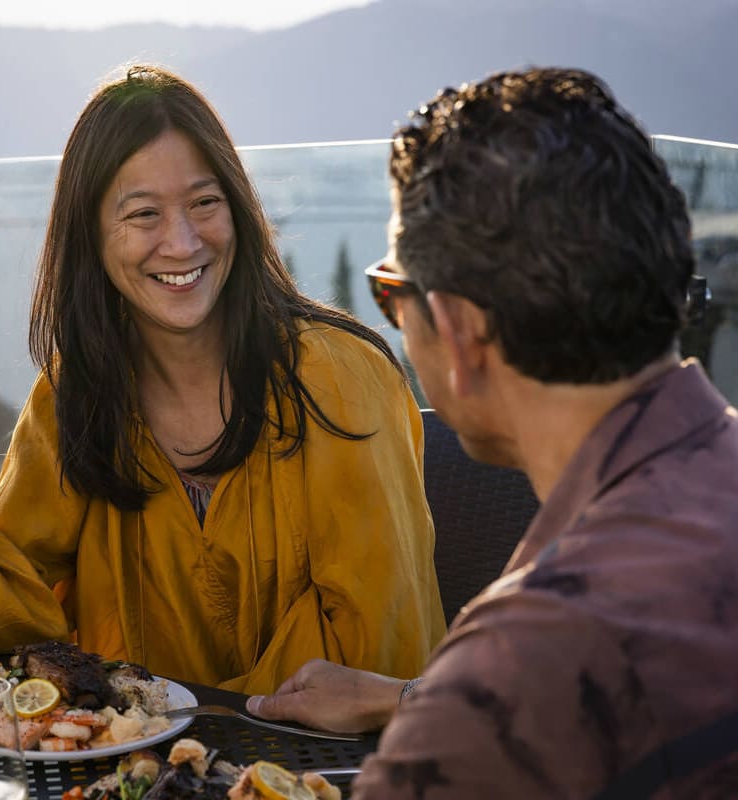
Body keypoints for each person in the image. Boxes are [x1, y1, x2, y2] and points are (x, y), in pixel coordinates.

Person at [0, 64, 445, 695]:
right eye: (143, 214)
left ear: (239, 210)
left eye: (205, 203)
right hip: (123, 772)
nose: (181, 243)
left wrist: (195, 727)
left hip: (308, 774)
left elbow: (380, 650)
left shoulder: (339, 379)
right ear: (91, 236)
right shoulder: (79, 394)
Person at [247, 66, 738, 796]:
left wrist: (449, 707)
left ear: (458, 329)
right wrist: (412, 698)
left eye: (391, 295)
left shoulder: (517, 676)